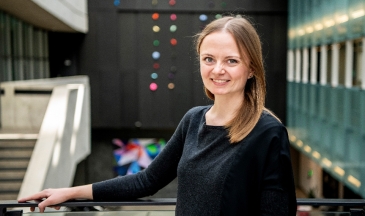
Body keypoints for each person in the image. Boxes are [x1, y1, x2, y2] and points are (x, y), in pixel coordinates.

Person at [19, 15, 297, 215]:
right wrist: (70, 192)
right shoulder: (193, 120)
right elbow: (147, 180)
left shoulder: (267, 132)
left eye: (231, 61)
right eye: (209, 59)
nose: (217, 70)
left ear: (251, 69)